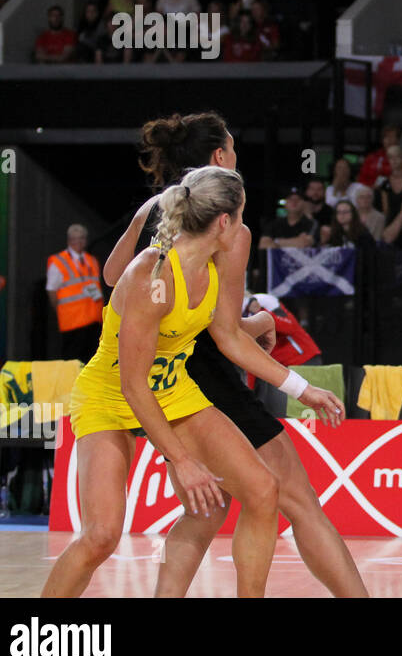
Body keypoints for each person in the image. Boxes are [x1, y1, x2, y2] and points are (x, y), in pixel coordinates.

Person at [41, 166, 344, 598]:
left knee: (261, 491)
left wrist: (301, 387)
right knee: (101, 536)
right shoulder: (153, 276)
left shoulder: (215, 263)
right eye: (240, 216)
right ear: (224, 222)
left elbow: (227, 337)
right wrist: (180, 459)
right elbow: (133, 385)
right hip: (111, 397)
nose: (243, 227)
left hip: (172, 390)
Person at [102, 119, 363, 597]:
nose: (236, 157)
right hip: (198, 375)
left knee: (204, 513)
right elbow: (222, 333)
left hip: (152, 372)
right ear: (220, 160)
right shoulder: (232, 229)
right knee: (295, 499)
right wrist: (262, 329)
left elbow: (112, 276)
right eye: (234, 149)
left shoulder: (153, 211)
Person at [47, 225, 104, 364]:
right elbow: (51, 290)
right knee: (72, 361)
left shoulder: (92, 261)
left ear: (85, 241)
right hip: (72, 322)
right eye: (74, 239)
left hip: (93, 320)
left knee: (91, 360)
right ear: (69, 240)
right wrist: (60, 311)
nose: (77, 242)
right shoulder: (58, 261)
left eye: (81, 239)